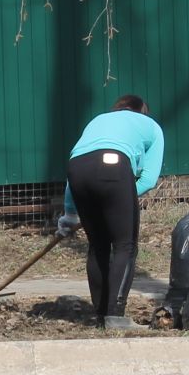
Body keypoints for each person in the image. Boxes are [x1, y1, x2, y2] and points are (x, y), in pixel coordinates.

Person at [56, 94, 166, 331]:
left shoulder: (98, 121)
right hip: (114, 166)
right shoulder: (152, 127)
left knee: (98, 246)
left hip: (77, 170)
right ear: (142, 112)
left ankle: (101, 315)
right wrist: (119, 196)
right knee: (125, 245)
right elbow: (148, 178)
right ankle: (116, 316)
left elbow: (72, 178)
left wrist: (69, 215)